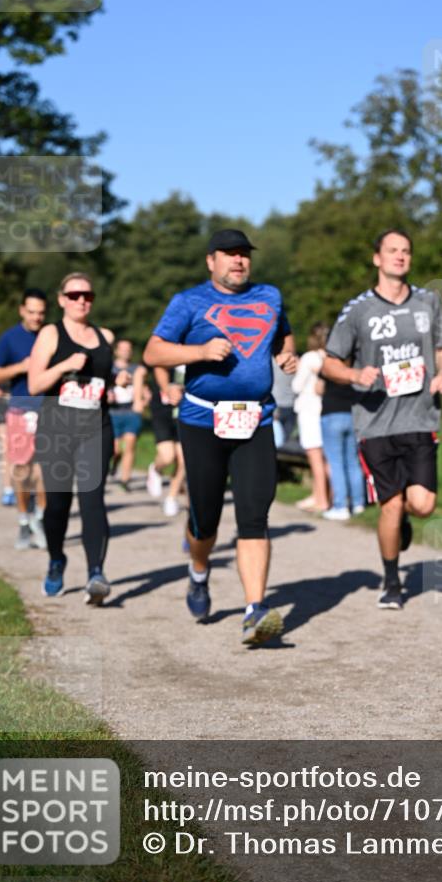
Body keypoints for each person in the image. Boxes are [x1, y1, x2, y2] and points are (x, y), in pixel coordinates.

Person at [144, 228, 297, 644]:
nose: (238, 260)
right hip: (202, 421)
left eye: (244, 253)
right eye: (229, 254)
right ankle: (198, 570)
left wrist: (286, 354)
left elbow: (283, 332)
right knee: (205, 518)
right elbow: (153, 351)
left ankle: (254, 611)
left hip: (256, 420)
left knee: (254, 515)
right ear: (211, 261)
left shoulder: (269, 296)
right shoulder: (188, 301)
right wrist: (199, 352)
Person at [324, 229, 442, 610]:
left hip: (420, 417)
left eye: (406, 251)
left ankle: (402, 526)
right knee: (391, 505)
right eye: (392, 250)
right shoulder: (358, 310)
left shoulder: (428, 302)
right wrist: (354, 374)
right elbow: (330, 363)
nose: (400, 256)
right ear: (377, 258)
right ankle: (392, 580)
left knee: (422, 504)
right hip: (375, 421)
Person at [28, 273, 115, 605]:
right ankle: (56, 560)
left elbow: (103, 383)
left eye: (88, 295)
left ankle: (96, 573)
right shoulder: (51, 334)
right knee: (58, 504)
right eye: (75, 295)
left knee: (93, 499)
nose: (82, 301)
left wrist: (119, 378)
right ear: (62, 299)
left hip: (96, 427)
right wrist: (65, 365)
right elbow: (35, 385)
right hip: (57, 429)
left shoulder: (105, 336)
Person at [0, 289, 48, 547]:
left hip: (50, 410)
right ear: (22, 310)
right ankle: (24, 521)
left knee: (47, 470)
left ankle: (40, 519)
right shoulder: (9, 338)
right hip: (21, 410)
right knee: (22, 470)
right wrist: (21, 367)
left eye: (41, 313)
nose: (36, 317)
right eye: (31, 312)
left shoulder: (52, 335)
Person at [291, 323, 330, 513]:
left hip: (309, 410)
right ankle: (322, 495)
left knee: (314, 456)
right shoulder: (331, 357)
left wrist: (299, 369)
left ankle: (321, 499)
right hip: (326, 410)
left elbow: (296, 386)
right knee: (326, 458)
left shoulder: (309, 358)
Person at [321, 375, 366, 520]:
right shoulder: (354, 367)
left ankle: (340, 506)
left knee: (336, 463)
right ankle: (358, 504)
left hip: (331, 414)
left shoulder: (328, 368)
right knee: (353, 462)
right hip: (351, 414)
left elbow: (318, 388)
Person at [146, 365, 187, 517]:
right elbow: (151, 367)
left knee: (184, 459)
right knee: (168, 456)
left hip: (185, 413)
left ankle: (171, 497)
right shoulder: (167, 358)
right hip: (163, 412)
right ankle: (156, 469)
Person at [108, 338, 147, 491]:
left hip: (131, 412)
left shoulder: (137, 370)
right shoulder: (109, 368)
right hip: (113, 411)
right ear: (116, 351)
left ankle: (125, 480)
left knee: (130, 445)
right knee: (116, 449)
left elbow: (143, 390)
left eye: (128, 349)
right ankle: (114, 462)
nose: (125, 352)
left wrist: (144, 399)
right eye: (122, 349)